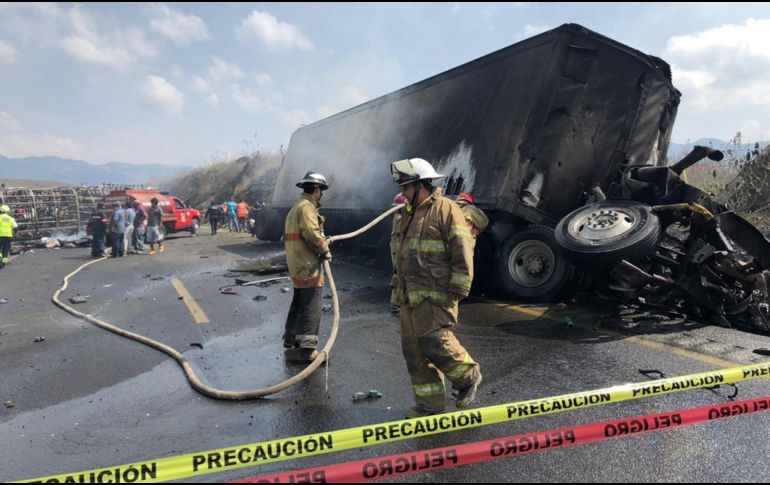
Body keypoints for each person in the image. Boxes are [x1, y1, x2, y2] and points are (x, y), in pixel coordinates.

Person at [391, 158, 482, 419]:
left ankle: (468, 376)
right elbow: (401, 255)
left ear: (422, 185)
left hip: (436, 293)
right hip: (410, 296)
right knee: (414, 351)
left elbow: (462, 248)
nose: (403, 193)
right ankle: (430, 405)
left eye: (407, 187)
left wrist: (460, 287)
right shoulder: (407, 214)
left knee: (434, 341)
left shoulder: (446, 209)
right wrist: (397, 290)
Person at [283, 171, 332, 363]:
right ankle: (307, 350)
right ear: (317, 190)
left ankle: (292, 340)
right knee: (311, 305)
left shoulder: (297, 207)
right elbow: (312, 234)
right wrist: (325, 250)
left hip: (298, 264)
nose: (321, 195)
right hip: (307, 265)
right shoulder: (308, 208)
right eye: (321, 191)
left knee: (300, 302)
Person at [389, 193, 408, 314]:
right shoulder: (401, 219)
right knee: (400, 276)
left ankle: (396, 303)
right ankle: (396, 304)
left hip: (396, 248)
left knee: (398, 275)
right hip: (399, 249)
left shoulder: (398, 216)